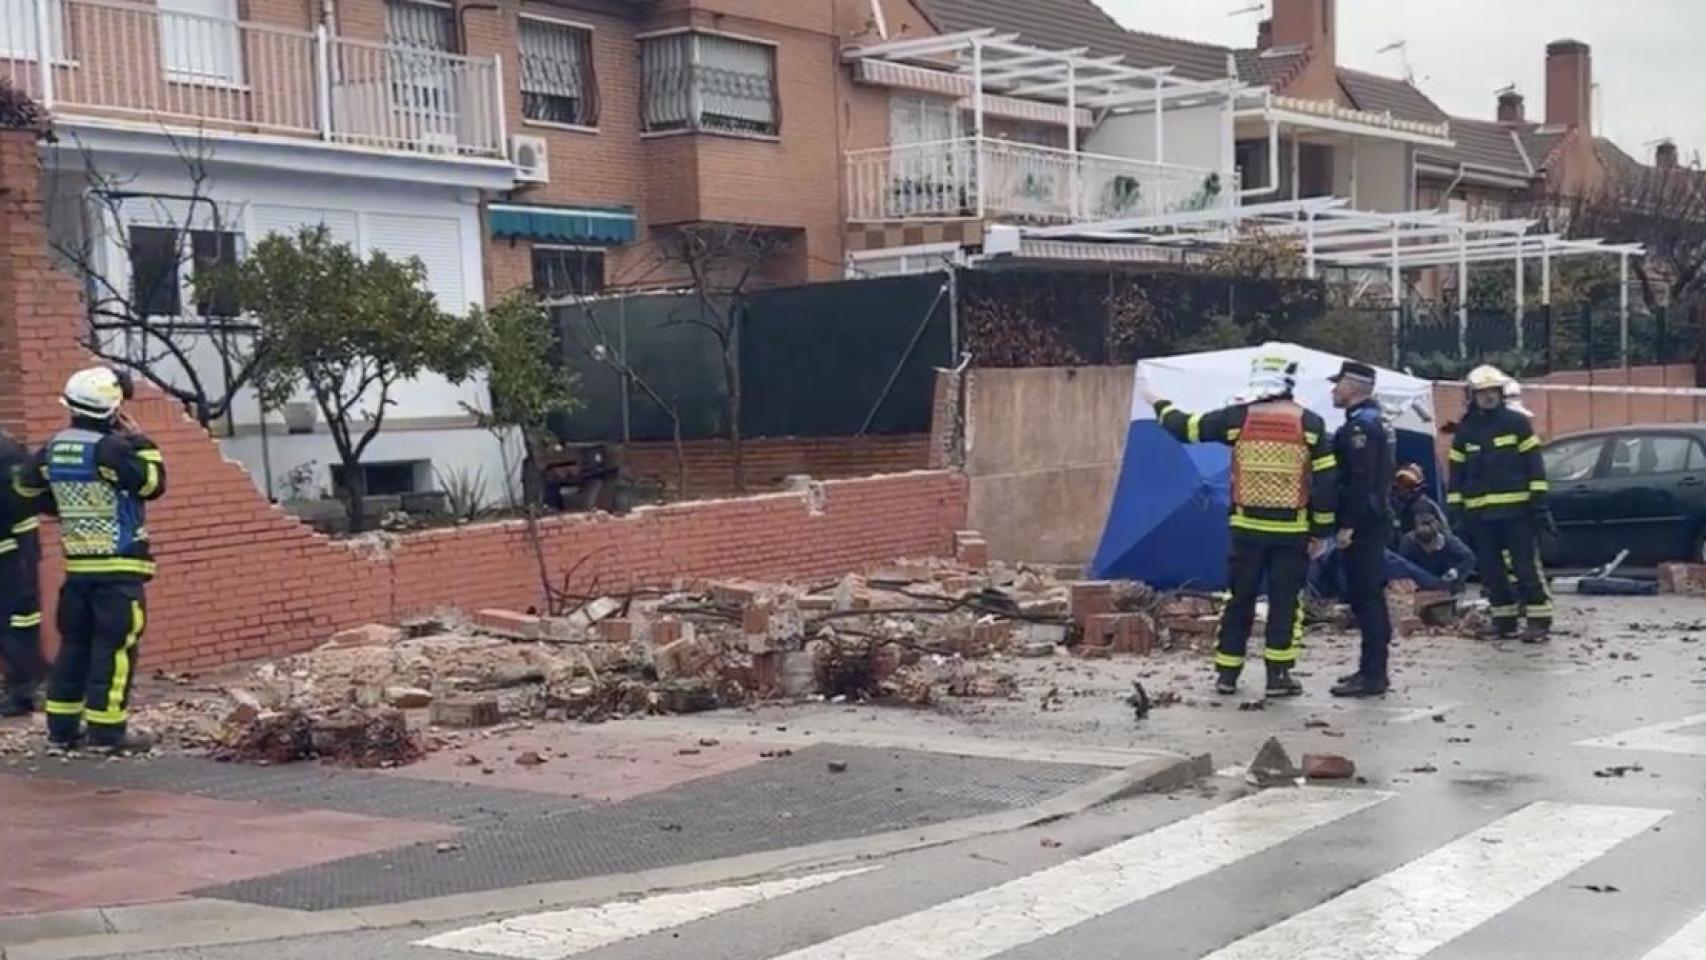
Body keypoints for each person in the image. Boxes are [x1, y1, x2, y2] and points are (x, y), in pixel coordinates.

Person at [1139, 346, 1338, 698]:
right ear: (1290, 380)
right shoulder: (1310, 424)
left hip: (1246, 530)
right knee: (1285, 603)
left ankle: (1227, 675)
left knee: (1239, 599)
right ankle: (1278, 676)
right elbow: (1326, 483)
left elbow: (1186, 428)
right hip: (1292, 532)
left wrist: (1158, 402)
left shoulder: (1238, 418)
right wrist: (1321, 531)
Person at [17, 366, 167, 753]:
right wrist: (141, 440)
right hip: (119, 570)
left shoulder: (53, 449)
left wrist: (62, 505)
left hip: (78, 572)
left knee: (74, 647)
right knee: (114, 650)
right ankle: (108, 732)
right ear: (113, 409)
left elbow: (25, 488)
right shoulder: (112, 449)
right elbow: (153, 483)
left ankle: (62, 730)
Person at [1448, 365, 1554, 642]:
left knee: (1525, 569)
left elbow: (1535, 465)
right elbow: (1457, 473)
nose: (1489, 397)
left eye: (1493, 391)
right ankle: (1504, 620)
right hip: (1481, 517)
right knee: (1491, 572)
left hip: (1517, 513)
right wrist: (1456, 510)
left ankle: (1539, 621)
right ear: (1472, 395)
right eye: (1483, 392)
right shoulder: (1466, 430)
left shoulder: (1517, 423)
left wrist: (1539, 504)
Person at [1326, 361, 1397, 698]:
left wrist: (1348, 525)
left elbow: (1360, 481)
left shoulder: (1360, 428)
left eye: (1338, 383)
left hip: (1365, 522)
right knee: (1368, 596)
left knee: (1366, 597)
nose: (1334, 390)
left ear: (1353, 387)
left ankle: (1373, 675)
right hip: (1373, 519)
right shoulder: (1373, 420)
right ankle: (1371, 668)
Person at [0, 426, 44, 717]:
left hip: (12, 550)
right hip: (15, 546)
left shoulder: (5, 452)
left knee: (15, 620)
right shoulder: (9, 446)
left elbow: (17, 502)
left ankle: (24, 689)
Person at [1397, 514, 1477, 593]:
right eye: (1423, 546)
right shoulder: (1408, 543)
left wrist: (1456, 571)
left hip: (1447, 584)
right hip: (1418, 586)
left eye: (1430, 545)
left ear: (1436, 538)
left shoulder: (1450, 542)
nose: (1427, 550)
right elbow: (1401, 565)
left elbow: (1469, 558)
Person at [1391, 463, 1448, 537]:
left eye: (1408, 484)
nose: (1401, 487)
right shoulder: (1394, 505)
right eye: (1400, 482)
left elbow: (1426, 537)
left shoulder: (1422, 507)